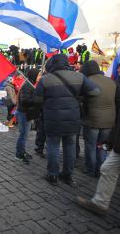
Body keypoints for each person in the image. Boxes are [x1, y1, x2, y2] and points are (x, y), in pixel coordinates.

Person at [34, 54, 100, 186]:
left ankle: (52, 175)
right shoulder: (79, 77)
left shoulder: (45, 80)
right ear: (66, 63)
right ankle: (67, 176)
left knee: (53, 146)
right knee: (70, 147)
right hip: (73, 119)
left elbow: (37, 100)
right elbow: (95, 92)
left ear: (52, 64)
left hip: (53, 119)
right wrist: (79, 98)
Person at [76, 92, 120, 215]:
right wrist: (112, 139)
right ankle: (100, 203)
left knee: (107, 166)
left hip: (95, 122)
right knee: (107, 168)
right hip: (114, 137)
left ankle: (100, 202)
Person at [80, 61, 119, 177]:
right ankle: (100, 169)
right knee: (102, 146)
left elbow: (83, 100)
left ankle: (90, 169)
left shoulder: (87, 81)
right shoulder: (111, 81)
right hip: (109, 120)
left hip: (92, 119)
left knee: (90, 146)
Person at [15, 69, 41, 164]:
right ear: (34, 76)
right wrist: (38, 99)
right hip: (24, 113)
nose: (40, 77)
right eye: (38, 75)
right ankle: (19, 154)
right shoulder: (27, 86)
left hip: (27, 113)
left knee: (25, 135)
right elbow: (25, 100)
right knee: (23, 135)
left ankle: (22, 151)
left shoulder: (31, 85)